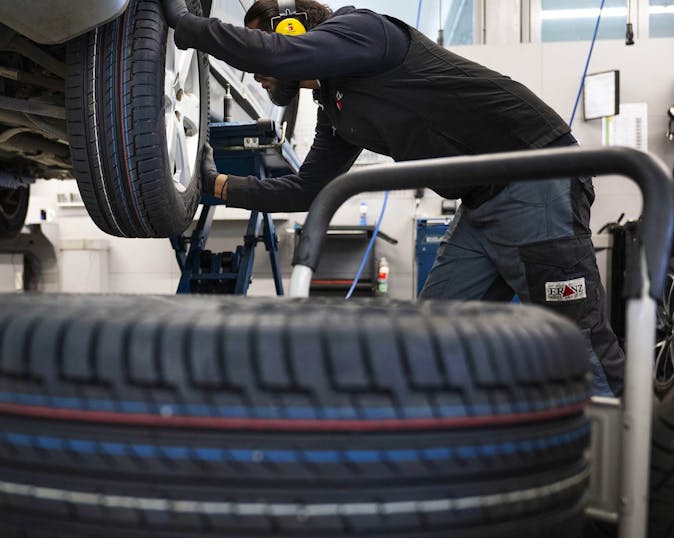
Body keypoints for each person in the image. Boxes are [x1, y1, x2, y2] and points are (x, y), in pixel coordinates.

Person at [163, 0, 624, 396]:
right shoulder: (337, 109)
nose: (257, 73)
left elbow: (279, 55)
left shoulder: (364, 31)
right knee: (430, 337)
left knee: (575, 340)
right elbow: (307, 189)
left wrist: (186, 26)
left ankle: (629, 474)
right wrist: (217, 185)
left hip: (536, 175)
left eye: (258, 51)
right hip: (480, 203)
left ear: (293, 26)